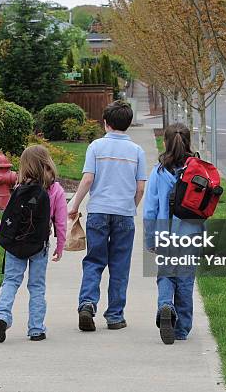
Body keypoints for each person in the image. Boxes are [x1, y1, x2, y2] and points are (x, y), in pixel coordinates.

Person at [68, 101, 147, 331]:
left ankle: (87, 303)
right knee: (120, 265)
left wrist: (74, 204)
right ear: (128, 124)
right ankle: (114, 316)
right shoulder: (137, 152)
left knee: (94, 260)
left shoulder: (96, 147)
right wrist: (131, 207)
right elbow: (140, 187)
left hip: (98, 212)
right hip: (124, 214)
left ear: (106, 123)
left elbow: (88, 179)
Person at [0, 145, 67, 343]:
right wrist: (60, 245)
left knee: (11, 282)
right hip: (39, 245)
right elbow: (60, 221)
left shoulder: (19, 189)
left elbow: (9, 216)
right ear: (47, 163)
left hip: (16, 245)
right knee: (37, 286)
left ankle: (1, 316)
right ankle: (36, 329)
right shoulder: (55, 190)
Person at [143, 123, 203, 344]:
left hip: (165, 232)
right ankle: (182, 329)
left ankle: (166, 305)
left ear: (165, 143)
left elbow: (150, 209)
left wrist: (150, 239)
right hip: (190, 233)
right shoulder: (197, 170)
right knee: (186, 279)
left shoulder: (159, 171)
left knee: (166, 274)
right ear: (189, 142)